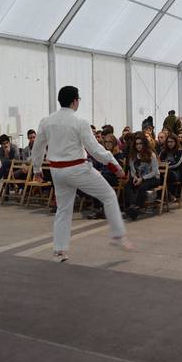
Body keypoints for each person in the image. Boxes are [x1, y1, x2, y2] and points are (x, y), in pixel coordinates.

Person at [31, 87, 130, 261]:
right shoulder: (80, 122)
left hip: (57, 171)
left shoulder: (46, 121)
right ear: (75, 101)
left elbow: (38, 147)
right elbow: (95, 149)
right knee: (108, 195)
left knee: (63, 210)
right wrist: (116, 166)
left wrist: (37, 169)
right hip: (77, 168)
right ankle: (117, 235)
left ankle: (59, 251)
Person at [124, 132, 160, 220]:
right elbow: (132, 170)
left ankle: (136, 207)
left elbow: (155, 171)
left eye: (140, 143)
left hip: (153, 178)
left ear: (144, 144)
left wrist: (142, 178)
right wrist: (134, 177)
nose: (138, 146)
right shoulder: (133, 155)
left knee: (143, 186)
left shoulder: (151, 154)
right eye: (136, 144)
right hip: (139, 177)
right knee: (128, 185)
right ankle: (133, 206)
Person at [159, 133, 182, 200]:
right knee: (158, 175)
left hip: (177, 173)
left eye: (171, 142)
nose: (169, 144)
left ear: (176, 142)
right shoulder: (163, 151)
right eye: (168, 142)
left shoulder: (180, 151)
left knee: (166, 174)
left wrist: (166, 166)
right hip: (164, 171)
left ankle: (168, 194)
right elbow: (159, 162)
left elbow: (177, 164)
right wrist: (165, 166)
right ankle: (164, 194)